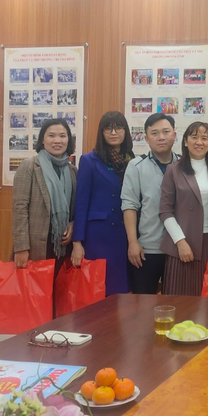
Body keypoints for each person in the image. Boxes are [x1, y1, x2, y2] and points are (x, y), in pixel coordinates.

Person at [159, 121, 208, 295]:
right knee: (182, 300)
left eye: (204, 138)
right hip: (184, 242)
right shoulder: (173, 170)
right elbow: (165, 211)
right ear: (185, 142)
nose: (199, 142)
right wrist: (180, 242)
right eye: (194, 137)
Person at [72, 111, 134, 295]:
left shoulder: (132, 160)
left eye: (118, 128)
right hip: (98, 236)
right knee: (99, 289)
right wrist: (77, 242)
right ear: (101, 132)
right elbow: (81, 203)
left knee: (123, 291)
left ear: (125, 131)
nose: (113, 133)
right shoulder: (89, 160)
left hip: (126, 233)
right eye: (108, 128)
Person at [122, 113, 179, 294]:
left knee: (179, 304)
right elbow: (129, 206)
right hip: (146, 249)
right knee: (143, 305)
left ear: (174, 135)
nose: (161, 137)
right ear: (146, 138)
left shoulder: (185, 165)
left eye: (166, 132)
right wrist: (133, 243)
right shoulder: (136, 166)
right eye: (154, 133)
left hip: (178, 248)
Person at [11, 119, 77, 276]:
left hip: (63, 247)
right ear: (42, 139)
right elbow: (19, 209)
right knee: (34, 291)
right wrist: (21, 248)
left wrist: (72, 225)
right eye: (51, 135)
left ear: (68, 140)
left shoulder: (72, 171)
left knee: (58, 290)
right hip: (35, 248)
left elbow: (75, 208)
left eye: (62, 136)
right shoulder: (29, 166)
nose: (57, 140)